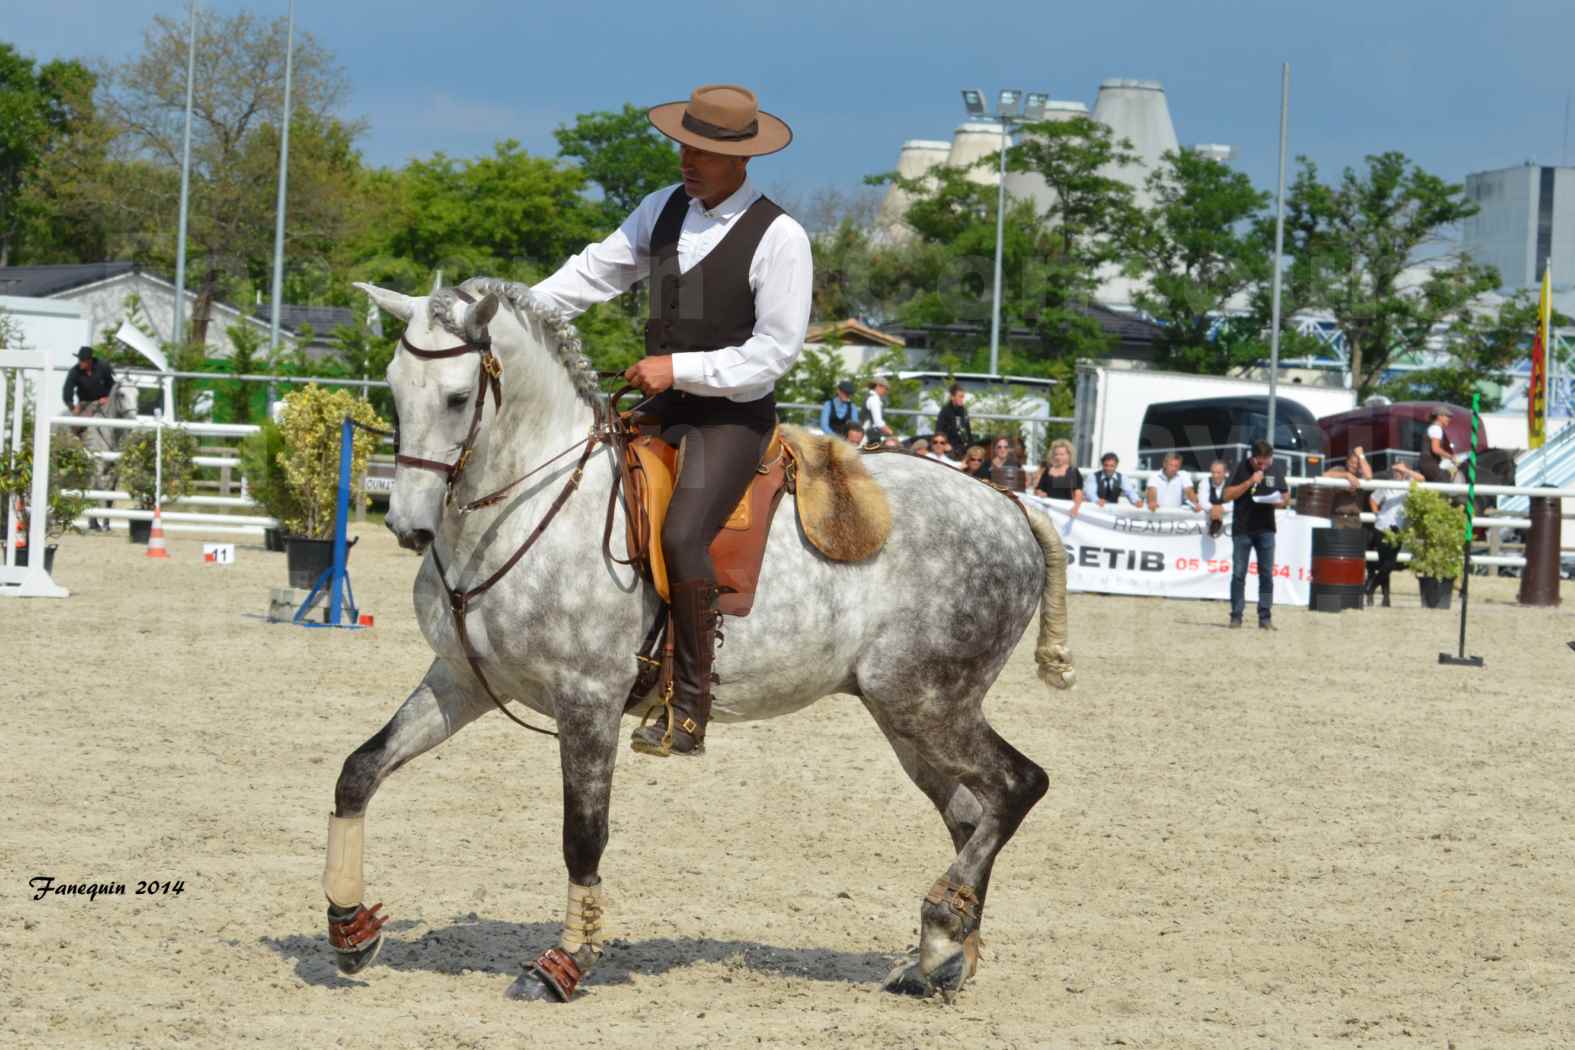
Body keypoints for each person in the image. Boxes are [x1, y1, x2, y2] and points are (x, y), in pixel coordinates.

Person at [533, 84, 811, 758]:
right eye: (685, 144)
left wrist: (676, 369)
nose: (687, 158)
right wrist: (506, 313)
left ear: (740, 159)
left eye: (705, 151)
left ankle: (688, 706)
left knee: (683, 533)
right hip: (663, 405)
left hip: (731, 418)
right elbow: (591, 275)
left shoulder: (780, 237)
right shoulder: (660, 209)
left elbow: (772, 355)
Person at [1222, 439, 1290, 630]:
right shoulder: (1240, 468)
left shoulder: (1275, 469)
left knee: (1267, 575)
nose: (1262, 466)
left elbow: (1285, 496)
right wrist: (1250, 482)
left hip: (1266, 529)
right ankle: (1236, 616)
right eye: (1259, 462)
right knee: (1238, 574)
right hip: (1242, 529)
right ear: (1252, 457)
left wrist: (1280, 502)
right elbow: (1226, 495)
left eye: (1266, 461)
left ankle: (1265, 617)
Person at [62, 346, 118, 531]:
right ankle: (78, 448)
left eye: (84, 360)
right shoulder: (75, 371)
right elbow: (67, 391)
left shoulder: (103, 366)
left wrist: (107, 397)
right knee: (77, 425)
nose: (81, 363)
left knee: (118, 419)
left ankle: (116, 448)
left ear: (90, 360)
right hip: (86, 404)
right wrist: (72, 406)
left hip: (103, 401)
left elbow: (112, 384)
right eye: (80, 360)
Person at [1365, 461, 1422, 607]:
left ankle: (1370, 588)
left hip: (1398, 530)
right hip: (1382, 527)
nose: (1397, 473)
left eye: (1400, 470)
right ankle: (1386, 598)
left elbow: (1422, 478)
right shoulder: (1388, 484)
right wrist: (1377, 513)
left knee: (1389, 564)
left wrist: (1405, 470)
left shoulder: (1410, 485)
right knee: (1385, 563)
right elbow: (1373, 499)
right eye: (1396, 470)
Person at [1323, 446, 1374, 528]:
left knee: (1354, 541)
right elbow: (1324, 475)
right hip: (1338, 518)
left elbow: (1369, 476)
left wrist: (1361, 455)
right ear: (1347, 462)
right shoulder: (1340, 470)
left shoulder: (1361, 475)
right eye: (1352, 462)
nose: (1354, 465)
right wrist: (1346, 475)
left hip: (1355, 519)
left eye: (1357, 463)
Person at [1033, 438, 1084, 516]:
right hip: (1047, 511)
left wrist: (1076, 508)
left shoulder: (1073, 471)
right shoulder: (1048, 471)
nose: (1058, 457)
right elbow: (1038, 489)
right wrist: (1040, 493)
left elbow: (1078, 494)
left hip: (1066, 512)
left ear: (1069, 455)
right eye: (1056, 454)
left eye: (1062, 454)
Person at [934, 383, 973, 461]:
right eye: (960, 397)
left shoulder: (963, 411)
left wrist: (972, 446)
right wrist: (945, 444)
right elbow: (938, 431)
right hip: (950, 448)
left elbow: (968, 431)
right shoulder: (945, 412)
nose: (962, 399)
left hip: (962, 447)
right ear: (952, 397)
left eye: (963, 397)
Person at [1419, 409, 1457, 482]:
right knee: (1444, 479)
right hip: (1429, 463)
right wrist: (1450, 456)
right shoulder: (1437, 429)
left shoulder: (1432, 427)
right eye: (1447, 417)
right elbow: (1436, 449)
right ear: (1439, 417)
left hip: (1426, 462)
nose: (1449, 419)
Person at [1196, 458, 1231, 537]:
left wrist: (1220, 508)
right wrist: (1214, 509)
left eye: (1218, 473)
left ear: (1225, 473)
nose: (1215, 476)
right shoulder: (1205, 482)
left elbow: (1235, 502)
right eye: (1213, 472)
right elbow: (1202, 501)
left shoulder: (1232, 483)